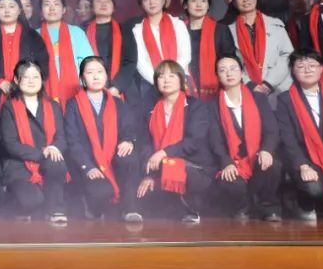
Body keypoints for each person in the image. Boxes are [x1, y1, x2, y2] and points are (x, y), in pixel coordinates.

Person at [63, 57, 142, 222]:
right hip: (88, 162)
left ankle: (129, 209)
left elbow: (128, 128)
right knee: (101, 194)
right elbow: (72, 141)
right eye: (90, 73)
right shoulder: (73, 104)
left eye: (100, 72)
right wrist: (87, 167)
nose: (96, 76)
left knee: (129, 158)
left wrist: (128, 140)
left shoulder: (117, 103)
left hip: (113, 159)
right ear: (82, 78)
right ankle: (92, 206)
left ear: (106, 76)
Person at [208, 55, 282, 221]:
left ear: (241, 72)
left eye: (233, 68)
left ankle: (269, 208)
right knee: (229, 180)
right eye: (222, 70)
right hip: (233, 161)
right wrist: (226, 162)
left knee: (273, 165)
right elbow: (215, 141)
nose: (229, 73)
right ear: (217, 76)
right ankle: (242, 207)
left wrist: (267, 150)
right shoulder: (213, 106)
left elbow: (272, 130)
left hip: (257, 156)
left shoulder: (258, 98)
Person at [137, 60, 211, 224]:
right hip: (160, 165)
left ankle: (191, 210)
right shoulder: (151, 109)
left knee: (170, 166)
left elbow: (194, 142)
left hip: (194, 165)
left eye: (172, 76)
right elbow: (146, 144)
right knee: (144, 191)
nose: (166, 80)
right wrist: (149, 175)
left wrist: (164, 153)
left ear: (181, 80)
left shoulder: (195, 106)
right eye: (161, 76)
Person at [274, 49, 323, 220]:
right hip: (306, 159)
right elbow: (287, 138)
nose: (307, 70)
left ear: (321, 69)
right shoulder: (285, 100)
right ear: (293, 71)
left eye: (312, 65)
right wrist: (303, 165)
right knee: (314, 188)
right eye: (300, 66)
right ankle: (306, 202)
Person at [1, 60, 68, 225]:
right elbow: (10, 144)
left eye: (36, 77)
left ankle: (55, 208)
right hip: (20, 165)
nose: (31, 81)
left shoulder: (53, 106)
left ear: (42, 80)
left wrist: (53, 148)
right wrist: (42, 153)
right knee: (30, 202)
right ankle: (22, 202)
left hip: (48, 160)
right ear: (17, 80)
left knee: (56, 161)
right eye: (26, 77)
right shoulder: (9, 106)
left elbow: (61, 138)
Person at [228, 0, 294, 98]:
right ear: (234, 2)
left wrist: (268, 83)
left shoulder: (276, 25)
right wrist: (250, 84)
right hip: (247, 88)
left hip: (278, 86)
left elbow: (287, 55)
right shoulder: (228, 31)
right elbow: (231, 62)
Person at [0, 0, 47, 97]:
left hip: (27, 92)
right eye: (2, 7)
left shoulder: (32, 36)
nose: (6, 11)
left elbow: (42, 63)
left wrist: (24, 82)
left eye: (11, 6)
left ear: (19, 10)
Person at [84, 0, 142, 104]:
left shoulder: (125, 29)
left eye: (107, 1)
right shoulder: (83, 31)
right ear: (92, 8)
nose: (103, 4)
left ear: (114, 7)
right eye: (99, 1)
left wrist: (116, 87)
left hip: (123, 89)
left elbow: (130, 60)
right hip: (93, 88)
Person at [132, 0, 192, 91]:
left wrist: (173, 78)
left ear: (163, 0)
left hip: (180, 78)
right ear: (141, 4)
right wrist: (157, 81)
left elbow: (185, 55)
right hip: (151, 83)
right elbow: (140, 62)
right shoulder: (137, 30)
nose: (151, 2)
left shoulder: (178, 24)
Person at [37, 0, 93, 104]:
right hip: (43, 91)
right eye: (47, 4)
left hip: (75, 91)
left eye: (56, 4)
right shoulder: (34, 35)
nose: (52, 8)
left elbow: (88, 62)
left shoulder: (76, 32)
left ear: (63, 10)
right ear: (41, 11)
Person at [184, 0, 236, 98]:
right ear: (185, 5)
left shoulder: (221, 29)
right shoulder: (179, 30)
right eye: (193, 0)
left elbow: (229, 59)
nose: (199, 4)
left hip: (217, 88)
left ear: (208, 5)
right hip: (186, 88)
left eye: (203, 1)